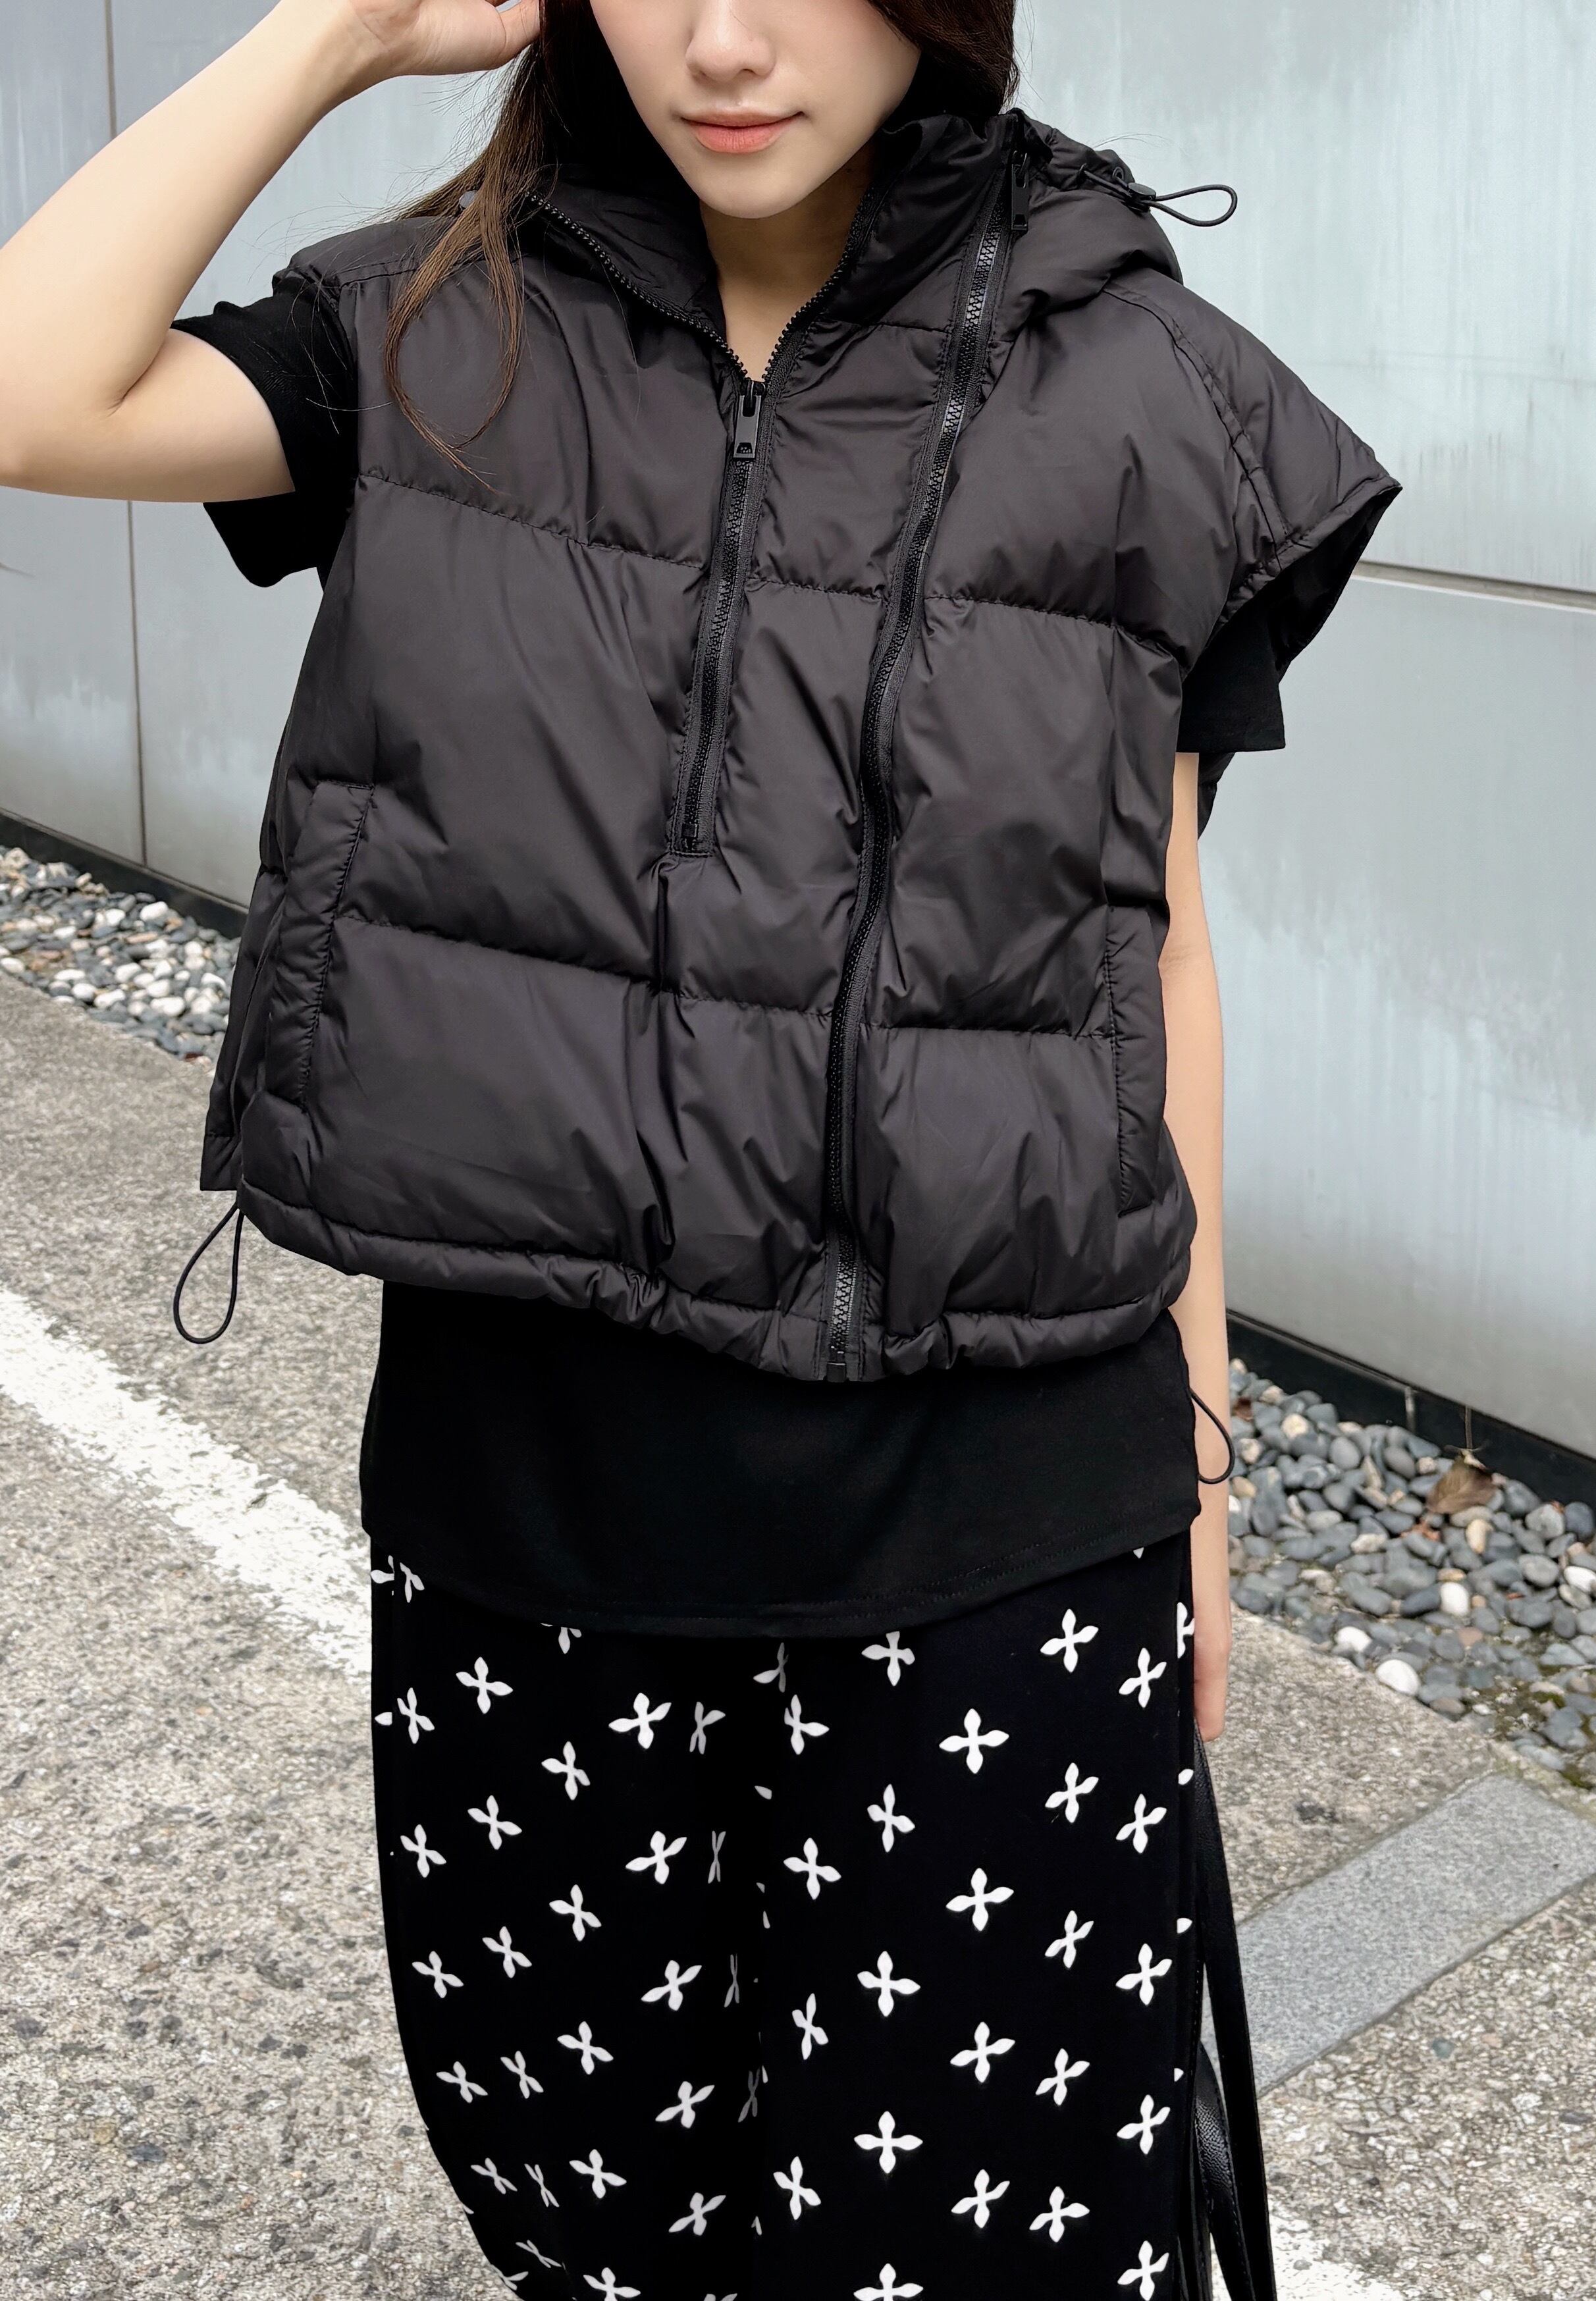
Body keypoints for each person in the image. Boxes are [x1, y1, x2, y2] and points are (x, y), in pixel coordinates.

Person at [0, 1, 1395, 2292]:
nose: (723, 42)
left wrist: (1202, 1467)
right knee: (599, 2231)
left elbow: (1142, 962)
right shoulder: (434, 335)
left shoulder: (1153, 395)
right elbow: (31, 388)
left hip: (996, 1534)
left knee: (986, 2248)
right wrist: (342, 33)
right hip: (532, 1522)